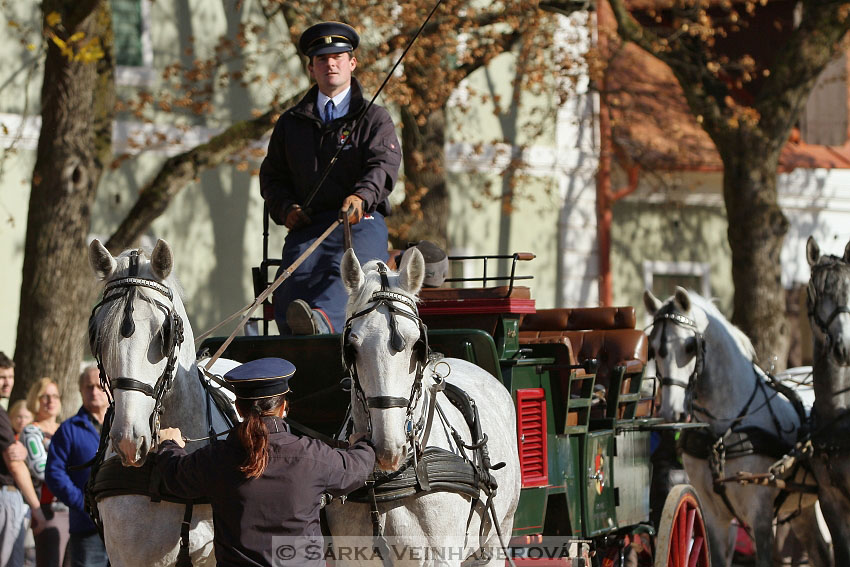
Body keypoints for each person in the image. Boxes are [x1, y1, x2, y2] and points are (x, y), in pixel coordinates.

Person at [156, 357, 375, 567]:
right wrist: (362, 443)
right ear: (284, 407)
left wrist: (169, 445)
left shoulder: (216, 458)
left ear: (239, 409)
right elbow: (358, 469)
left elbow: (175, 476)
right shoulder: (312, 456)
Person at [259, 21, 401, 336]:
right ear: (311, 69)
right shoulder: (290, 123)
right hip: (308, 225)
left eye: (338, 56)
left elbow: (384, 163)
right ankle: (296, 348)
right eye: (322, 59)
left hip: (360, 220)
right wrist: (285, 209)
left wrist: (361, 196)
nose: (330, 64)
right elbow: (272, 176)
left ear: (352, 63)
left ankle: (322, 325)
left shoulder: (375, 119)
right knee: (292, 279)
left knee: (351, 271)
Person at [45, 367, 108, 567]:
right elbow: (54, 474)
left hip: (126, 527)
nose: (95, 392)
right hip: (87, 529)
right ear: (80, 391)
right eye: (89, 387)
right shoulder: (68, 430)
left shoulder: (122, 426)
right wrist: (82, 503)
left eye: (99, 386)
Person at [0, 352, 46, 566]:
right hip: (7, 497)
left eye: (10, 376)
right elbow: (15, 464)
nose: (7, 382)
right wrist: (36, 508)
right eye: (1, 377)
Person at [22, 378, 68, 567]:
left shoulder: (66, 429)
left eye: (55, 396)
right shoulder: (31, 431)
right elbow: (41, 469)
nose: (51, 401)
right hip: (50, 510)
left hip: (75, 509)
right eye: (45, 396)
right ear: (36, 399)